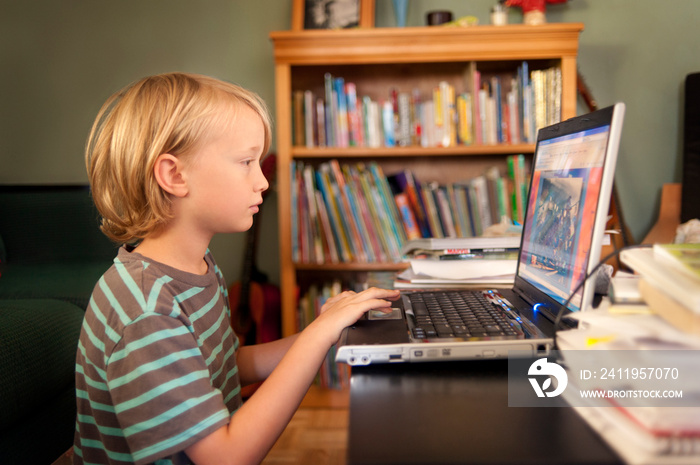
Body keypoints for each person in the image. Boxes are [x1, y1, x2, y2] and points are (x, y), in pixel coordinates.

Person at [74, 72, 400, 465]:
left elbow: (229, 365)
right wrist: (316, 339)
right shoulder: (146, 312)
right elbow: (226, 458)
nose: (262, 181)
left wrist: (323, 329)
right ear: (175, 175)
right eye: (247, 162)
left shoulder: (198, 268)